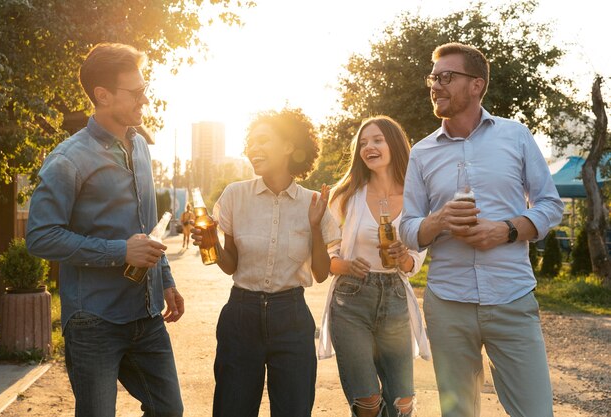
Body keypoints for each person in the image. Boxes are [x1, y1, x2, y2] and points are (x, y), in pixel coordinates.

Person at [400, 42, 564, 417]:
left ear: (476, 85)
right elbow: (408, 228)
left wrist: (505, 230)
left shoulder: (516, 136)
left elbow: (549, 204)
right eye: (433, 78)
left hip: (511, 297)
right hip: (448, 304)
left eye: (446, 77)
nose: (435, 85)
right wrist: (438, 221)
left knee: (535, 411)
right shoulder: (421, 152)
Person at [26, 43, 185, 417]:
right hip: (94, 320)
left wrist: (166, 278)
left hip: (146, 315)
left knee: (169, 411)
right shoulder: (68, 159)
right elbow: (40, 236)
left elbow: (147, 228)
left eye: (145, 89)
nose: (144, 99)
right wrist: (120, 252)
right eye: (136, 92)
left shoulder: (141, 147)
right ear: (102, 95)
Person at [192, 108, 340, 417]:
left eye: (263, 140)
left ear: (289, 145)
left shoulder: (313, 203)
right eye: (250, 143)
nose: (253, 149)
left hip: (292, 319)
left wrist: (314, 226)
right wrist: (213, 245)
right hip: (240, 317)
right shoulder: (235, 195)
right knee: (232, 410)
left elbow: (322, 273)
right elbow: (230, 264)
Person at [318, 116, 430, 417]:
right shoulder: (346, 197)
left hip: (394, 298)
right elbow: (325, 255)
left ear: (394, 143)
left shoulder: (416, 198)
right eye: (363, 143)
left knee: (402, 402)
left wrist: (403, 256)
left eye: (377, 140)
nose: (369, 147)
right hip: (351, 299)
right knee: (366, 401)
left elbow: (414, 261)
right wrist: (345, 265)